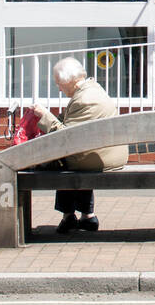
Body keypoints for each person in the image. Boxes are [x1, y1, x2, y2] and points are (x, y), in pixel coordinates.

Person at [31, 57, 125, 234]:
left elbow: (66, 139)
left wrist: (44, 115)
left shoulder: (84, 100)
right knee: (77, 156)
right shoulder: (93, 89)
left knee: (61, 160)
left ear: (69, 80)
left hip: (100, 157)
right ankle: (87, 215)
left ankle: (69, 215)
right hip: (108, 152)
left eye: (59, 83)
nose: (59, 88)